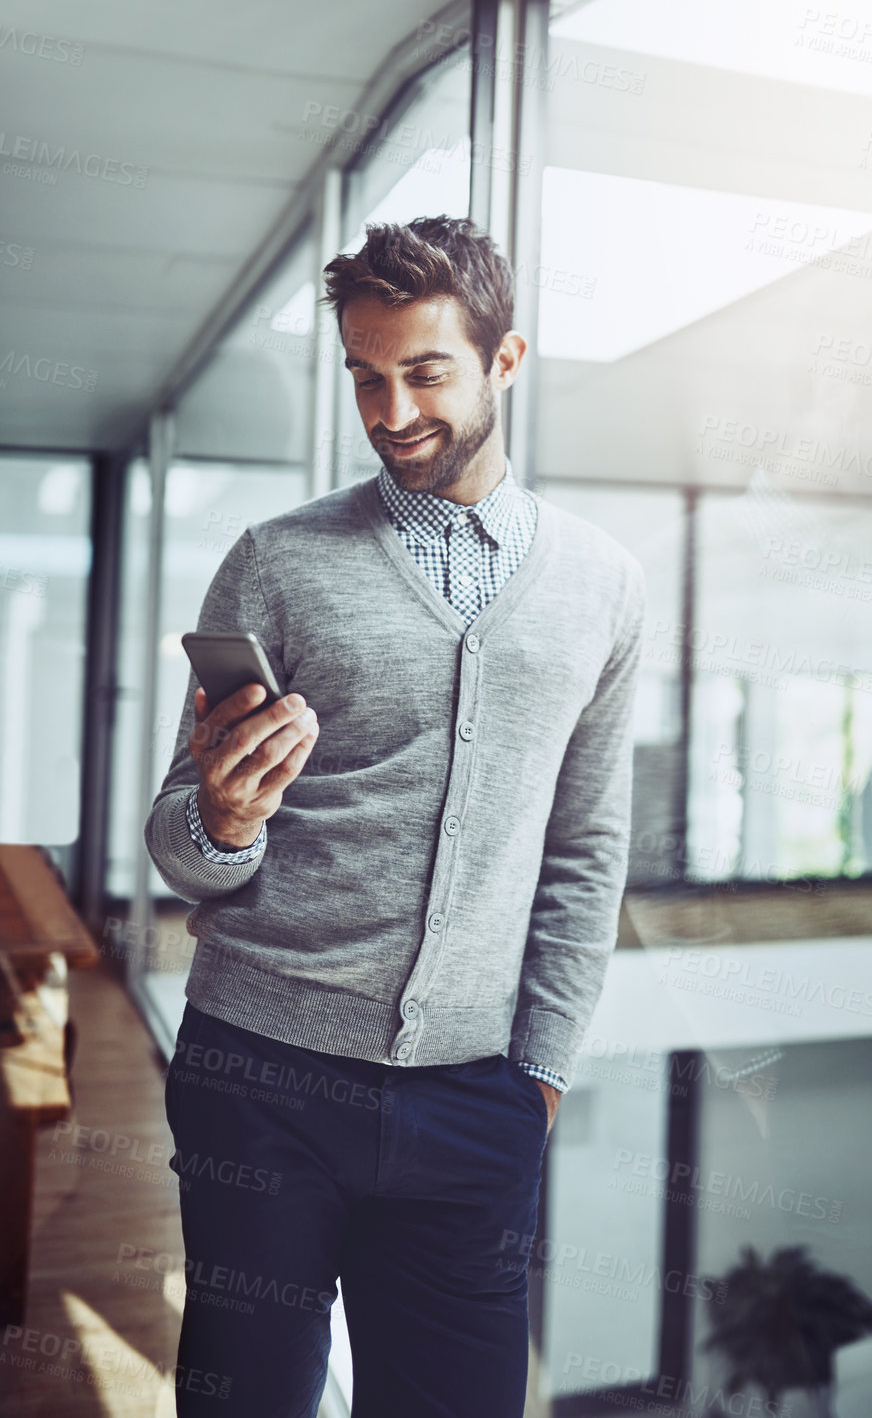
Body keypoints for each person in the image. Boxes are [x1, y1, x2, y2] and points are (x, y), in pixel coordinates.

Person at [145, 215, 646, 1418]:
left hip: (477, 1100)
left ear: (504, 361)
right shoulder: (280, 559)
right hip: (258, 1078)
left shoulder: (603, 584)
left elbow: (587, 849)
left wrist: (540, 1073)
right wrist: (221, 819)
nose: (391, 409)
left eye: (425, 372)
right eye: (368, 376)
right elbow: (176, 846)